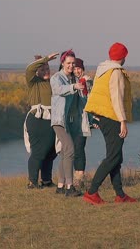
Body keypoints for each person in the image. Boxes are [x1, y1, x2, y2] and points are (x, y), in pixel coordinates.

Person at [83, 42, 137, 204]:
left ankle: (120, 195)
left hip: (104, 116)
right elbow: (116, 98)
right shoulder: (116, 73)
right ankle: (92, 192)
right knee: (113, 157)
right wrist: (122, 121)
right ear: (123, 57)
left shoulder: (103, 70)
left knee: (116, 157)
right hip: (112, 117)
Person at [50, 50, 86, 197]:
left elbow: (80, 101)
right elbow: (58, 90)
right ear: (62, 63)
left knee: (65, 151)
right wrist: (74, 87)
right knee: (70, 149)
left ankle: (60, 185)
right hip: (59, 121)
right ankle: (69, 187)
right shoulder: (56, 78)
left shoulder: (73, 79)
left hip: (70, 121)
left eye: (73, 63)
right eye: (69, 63)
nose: (71, 66)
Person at [24, 52, 59, 189]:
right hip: (38, 120)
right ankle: (32, 182)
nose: (46, 71)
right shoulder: (33, 82)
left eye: (47, 68)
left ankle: (46, 180)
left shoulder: (52, 82)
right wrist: (46, 59)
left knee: (51, 151)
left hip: (51, 119)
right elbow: (29, 69)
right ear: (37, 71)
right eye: (42, 69)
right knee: (39, 151)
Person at [70, 58, 97, 190]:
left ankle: (78, 179)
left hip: (83, 120)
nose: (76, 70)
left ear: (82, 68)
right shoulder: (69, 82)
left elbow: (91, 100)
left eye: (78, 68)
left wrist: (93, 118)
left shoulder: (87, 81)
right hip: (70, 121)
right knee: (72, 150)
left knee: (79, 148)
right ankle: (71, 180)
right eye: (74, 68)